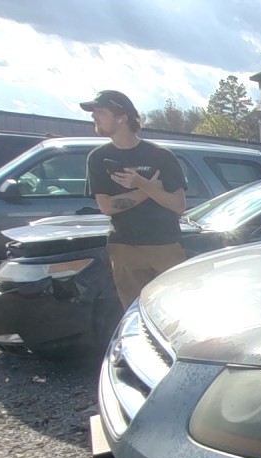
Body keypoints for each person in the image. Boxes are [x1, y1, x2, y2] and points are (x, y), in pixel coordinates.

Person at [80, 90, 188, 308]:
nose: (94, 117)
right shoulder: (98, 158)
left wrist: (141, 183)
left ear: (121, 117)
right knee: (134, 311)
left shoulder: (161, 156)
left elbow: (178, 205)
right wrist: (145, 187)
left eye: (100, 112)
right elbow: (107, 207)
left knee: (176, 308)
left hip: (165, 245)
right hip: (124, 249)